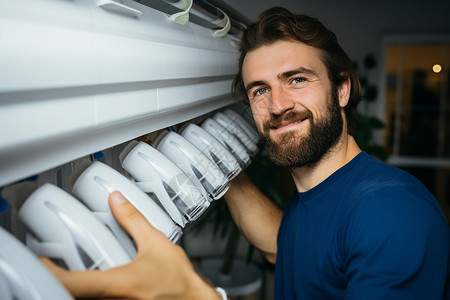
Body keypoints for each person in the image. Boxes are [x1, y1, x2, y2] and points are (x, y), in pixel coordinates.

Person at [42, 7, 449, 300]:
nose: (277, 105)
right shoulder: (321, 198)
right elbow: (284, 247)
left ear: (342, 89)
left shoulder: (391, 212)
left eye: (296, 79)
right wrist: (208, 165)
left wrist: (191, 294)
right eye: (259, 89)